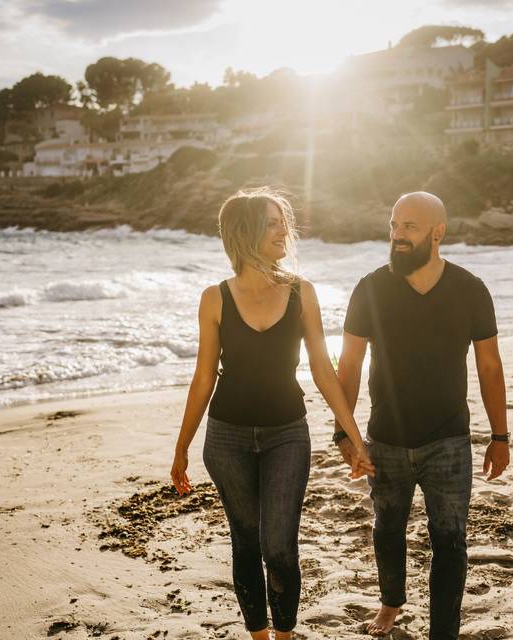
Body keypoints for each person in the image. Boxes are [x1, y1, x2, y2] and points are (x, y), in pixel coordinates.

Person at [169, 187, 374, 640]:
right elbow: (204, 378)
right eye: (273, 222)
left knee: (279, 545)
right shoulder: (215, 298)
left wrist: (353, 437)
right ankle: (259, 636)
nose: (285, 230)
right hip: (226, 439)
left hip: (287, 433)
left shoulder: (302, 292)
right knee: (245, 540)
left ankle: (283, 635)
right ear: (246, 233)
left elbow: (323, 369)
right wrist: (182, 447)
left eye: (284, 221)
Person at [333, 191, 511, 640]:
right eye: (393, 225)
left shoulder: (470, 289)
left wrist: (500, 436)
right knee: (387, 528)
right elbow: (348, 363)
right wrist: (344, 431)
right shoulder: (371, 287)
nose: (397, 235)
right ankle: (391, 602)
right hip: (385, 437)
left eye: (409, 227)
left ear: (438, 232)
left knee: (450, 541)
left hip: (448, 440)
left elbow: (489, 365)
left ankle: (443, 634)